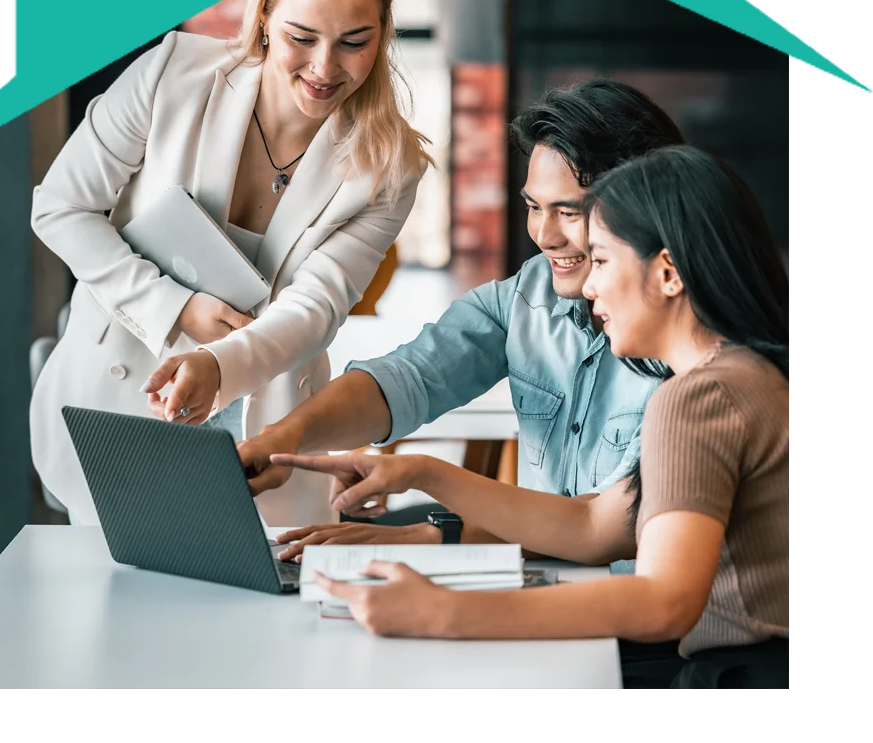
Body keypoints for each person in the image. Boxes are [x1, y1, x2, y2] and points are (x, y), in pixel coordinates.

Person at [273, 146, 789, 690]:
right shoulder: (748, 374)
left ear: (667, 273)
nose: (588, 288)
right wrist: (420, 472)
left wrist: (443, 613)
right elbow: (591, 528)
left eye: (605, 261)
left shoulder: (699, 397)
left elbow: (664, 602)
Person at [29, 0, 432, 527]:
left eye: (355, 41)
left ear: (384, 33)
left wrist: (220, 364)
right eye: (303, 37)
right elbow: (59, 207)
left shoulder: (390, 163)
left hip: (264, 422)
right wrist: (175, 308)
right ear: (265, 14)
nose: (325, 67)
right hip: (108, 400)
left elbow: (318, 305)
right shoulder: (173, 73)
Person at [237, 79, 684, 561]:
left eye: (568, 212)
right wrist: (283, 439)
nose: (544, 235)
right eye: (534, 207)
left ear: (641, 206)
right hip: (542, 588)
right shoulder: (529, 294)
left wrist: (431, 528)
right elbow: (410, 377)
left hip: (629, 612)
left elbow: (605, 529)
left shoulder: (692, 346)